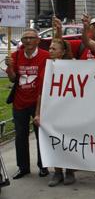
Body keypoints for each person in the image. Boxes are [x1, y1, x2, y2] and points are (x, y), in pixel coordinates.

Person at [5, 28, 50, 179]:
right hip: (20, 102)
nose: (28, 41)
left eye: (31, 38)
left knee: (41, 136)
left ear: (38, 40)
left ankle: (43, 166)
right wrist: (10, 66)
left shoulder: (45, 56)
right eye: (25, 38)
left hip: (38, 102)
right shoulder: (15, 55)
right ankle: (23, 167)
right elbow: (12, 79)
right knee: (20, 136)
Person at [33, 38, 76, 187]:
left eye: (54, 48)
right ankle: (58, 172)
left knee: (68, 140)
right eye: (50, 48)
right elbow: (40, 93)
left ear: (63, 52)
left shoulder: (71, 66)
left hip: (68, 110)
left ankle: (69, 171)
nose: (50, 50)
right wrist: (38, 113)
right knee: (54, 141)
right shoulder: (46, 67)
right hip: (50, 111)